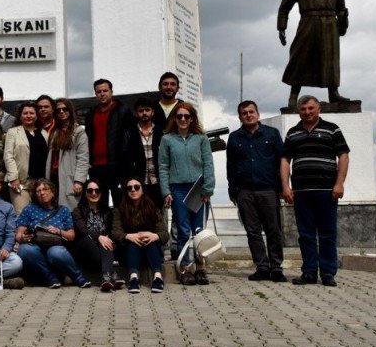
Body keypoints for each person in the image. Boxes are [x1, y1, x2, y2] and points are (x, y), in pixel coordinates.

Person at [280, 95, 350, 287]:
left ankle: (328, 273)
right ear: (298, 111)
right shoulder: (292, 133)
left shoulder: (332, 129)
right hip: (301, 193)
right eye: (303, 109)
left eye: (311, 108)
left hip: (326, 191)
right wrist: (285, 187)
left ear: (319, 109)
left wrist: (339, 183)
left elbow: (343, 155)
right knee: (306, 235)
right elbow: (285, 160)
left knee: (328, 234)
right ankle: (309, 272)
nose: (307, 112)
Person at [278, 0, 354, 109]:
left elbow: (341, 7)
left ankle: (333, 92)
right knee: (300, 57)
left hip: (329, 25)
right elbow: (284, 8)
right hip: (308, 23)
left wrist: (342, 20)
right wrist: (281, 27)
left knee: (331, 59)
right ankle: (293, 95)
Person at [227, 100, 287, 282]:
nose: (248, 115)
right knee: (252, 231)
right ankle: (262, 267)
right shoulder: (235, 137)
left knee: (273, 230)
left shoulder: (272, 134)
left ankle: (276, 268)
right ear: (240, 117)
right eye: (244, 113)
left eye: (251, 112)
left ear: (258, 114)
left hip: (268, 189)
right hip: (245, 191)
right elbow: (230, 165)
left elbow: (282, 161)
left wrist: (282, 187)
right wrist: (233, 190)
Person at [158, 102, 215, 285]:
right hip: (178, 188)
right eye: (179, 116)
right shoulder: (167, 139)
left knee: (199, 231)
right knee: (183, 230)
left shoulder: (201, 138)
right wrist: (166, 191)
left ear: (192, 119)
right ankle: (185, 269)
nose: (183, 119)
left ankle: (200, 269)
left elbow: (208, 164)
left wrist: (208, 188)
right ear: (174, 118)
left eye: (187, 116)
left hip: (198, 188)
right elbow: (163, 166)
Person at [14, 178, 89, 289]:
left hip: (56, 245)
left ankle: (77, 277)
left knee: (55, 252)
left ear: (53, 192)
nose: (42, 193)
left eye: (45, 189)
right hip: (35, 246)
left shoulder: (63, 210)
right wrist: (23, 238)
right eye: (38, 191)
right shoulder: (29, 209)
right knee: (24, 249)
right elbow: (18, 235)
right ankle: (50, 278)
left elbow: (72, 236)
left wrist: (59, 231)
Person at [112, 176, 169, 293]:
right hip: (129, 253)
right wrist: (128, 236)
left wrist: (155, 236)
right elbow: (115, 232)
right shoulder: (119, 210)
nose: (133, 190)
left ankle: (158, 277)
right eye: (129, 188)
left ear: (142, 190)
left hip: (151, 252)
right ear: (126, 191)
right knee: (134, 242)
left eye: (137, 187)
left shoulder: (153, 209)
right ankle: (134, 279)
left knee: (149, 241)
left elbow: (164, 233)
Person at [83, 78, 133, 208]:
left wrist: (126, 163)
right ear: (95, 94)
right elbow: (88, 138)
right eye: (99, 91)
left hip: (117, 165)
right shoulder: (91, 114)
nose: (102, 94)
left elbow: (129, 139)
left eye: (105, 90)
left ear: (111, 92)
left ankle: (119, 229)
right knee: (100, 204)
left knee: (121, 202)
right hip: (96, 167)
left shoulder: (123, 111)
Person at [72, 181, 122, 292]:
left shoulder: (108, 211)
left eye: (97, 190)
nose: (93, 193)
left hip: (103, 248)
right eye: (90, 191)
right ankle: (111, 272)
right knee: (90, 240)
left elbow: (112, 231)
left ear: (101, 193)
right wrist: (99, 237)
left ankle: (106, 277)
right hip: (84, 248)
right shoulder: (78, 211)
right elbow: (82, 230)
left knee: (107, 241)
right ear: (85, 193)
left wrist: (104, 238)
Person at [4, 102, 49, 214]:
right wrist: (14, 177)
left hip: (41, 182)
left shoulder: (44, 133)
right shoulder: (13, 132)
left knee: (40, 214)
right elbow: (8, 156)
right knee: (22, 214)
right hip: (20, 182)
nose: (28, 116)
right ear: (20, 116)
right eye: (25, 113)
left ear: (36, 115)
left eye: (31, 113)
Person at [45, 97, 89, 209]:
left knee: (70, 210)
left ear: (70, 110)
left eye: (65, 109)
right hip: (53, 176)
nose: (61, 112)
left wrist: (79, 180)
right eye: (58, 110)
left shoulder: (78, 132)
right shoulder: (55, 132)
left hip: (69, 177)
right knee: (54, 209)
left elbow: (83, 158)